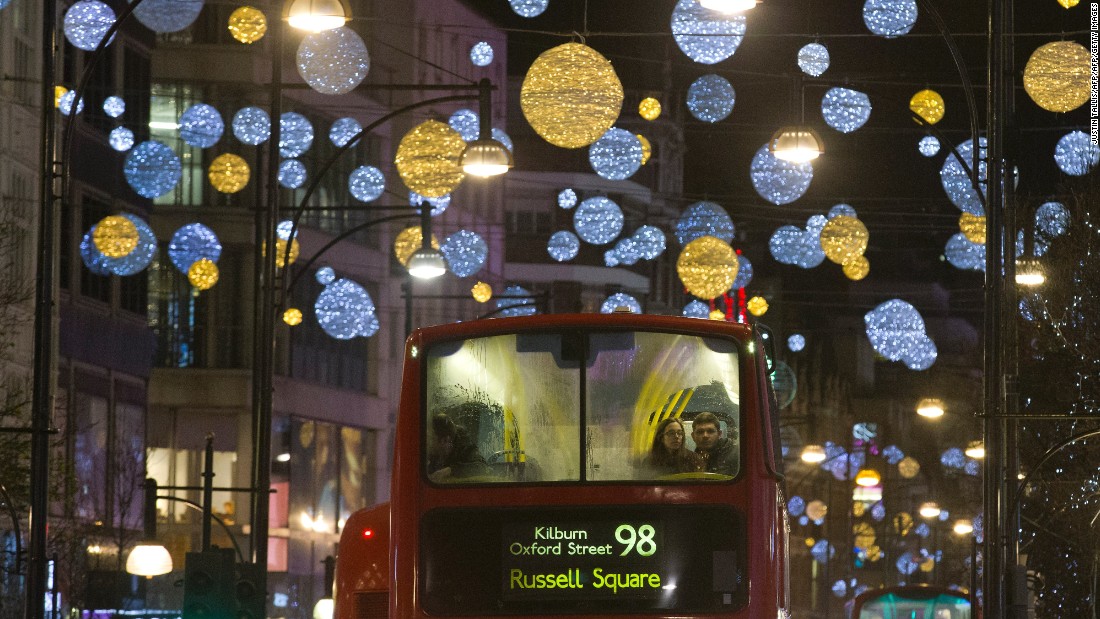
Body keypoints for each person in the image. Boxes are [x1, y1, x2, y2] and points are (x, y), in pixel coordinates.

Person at [427, 412, 489, 481]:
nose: (428, 442)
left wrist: (450, 470)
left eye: (431, 438)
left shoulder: (465, 447)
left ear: (445, 440)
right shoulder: (430, 451)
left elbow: (482, 467)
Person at [690, 411, 738, 476]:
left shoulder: (737, 454)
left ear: (719, 434)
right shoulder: (690, 459)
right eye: (700, 432)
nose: (705, 436)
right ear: (693, 436)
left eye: (710, 431)